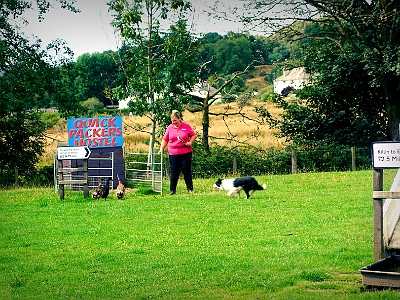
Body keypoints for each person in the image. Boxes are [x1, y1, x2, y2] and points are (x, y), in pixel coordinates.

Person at [158, 110, 197, 195]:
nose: (174, 122)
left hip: (185, 153)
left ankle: (190, 189)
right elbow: (165, 139)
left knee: (186, 171)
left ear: (179, 119)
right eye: (172, 121)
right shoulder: (169, 128)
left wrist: (190, 142)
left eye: (175, 121)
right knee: (174, 172)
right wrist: (161, 149)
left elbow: (194, 135)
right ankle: (172, 190)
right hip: (173, 154)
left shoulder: (186, 126)